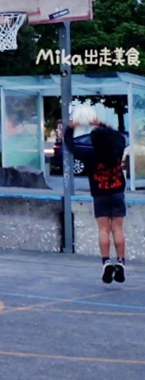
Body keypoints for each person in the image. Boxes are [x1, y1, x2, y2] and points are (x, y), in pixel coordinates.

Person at [64, 105, 127, 283]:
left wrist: (71, 127)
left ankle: (106, 262)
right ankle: (120, 262)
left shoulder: (89, 154)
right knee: (118, 229)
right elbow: (119, 136)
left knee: (104, 229)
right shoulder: (117, 149)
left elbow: (69, 145)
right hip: (117, 193)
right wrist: (100, 124)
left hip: (99, 194)